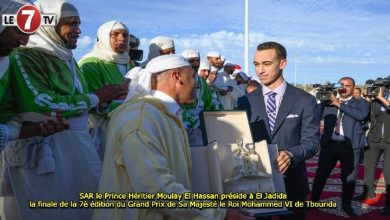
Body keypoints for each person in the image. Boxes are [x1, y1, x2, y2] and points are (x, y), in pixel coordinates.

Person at [94, 54, 254, 220]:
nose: (197, 86)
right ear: (177, 77)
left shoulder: (162, 115)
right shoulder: (141, 118)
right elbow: (155, 187)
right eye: (193, 78)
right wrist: (218, 215)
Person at [6, 0, 123, 219]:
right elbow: (41, 102)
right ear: (50, 26)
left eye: (78, 23)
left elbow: (78, 99)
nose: (78, 30)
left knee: (89, 206)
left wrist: (105, 98)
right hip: (44, 148)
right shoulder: (25, 56)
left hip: (77, 145)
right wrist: (96, 97)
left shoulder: (68, 59)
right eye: (70, 24)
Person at [237, 41, 320, 220]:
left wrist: (291, 154)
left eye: (266, 64)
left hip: (293, 183)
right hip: (256, 184)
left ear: (283, 63)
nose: (260, 70)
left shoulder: (305, 100)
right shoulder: (245, 101)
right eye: (256, 64)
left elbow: (312, 143)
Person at [0, 0, 69, 151]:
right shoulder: (22, 56)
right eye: (19, 30)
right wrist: (95, 98)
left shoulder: (3, 63)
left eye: (30, 34)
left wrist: (29, 125)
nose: (24, 42)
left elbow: (4, 116)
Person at [311, 77, 370, 217]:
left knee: (349, 177)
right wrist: (321, 101)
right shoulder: (329, 102)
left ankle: (347, 205)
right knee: (321, 174)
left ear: (353, 87)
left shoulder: (361, 103)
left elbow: (360, 115)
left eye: (347, 86)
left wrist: (339, 104)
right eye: (341, 85)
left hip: (350, 146)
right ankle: (313, 200)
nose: (344, 88)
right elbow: (316, 117)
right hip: (330, 144)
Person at [79, 20, 130, 160]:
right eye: (115, 34)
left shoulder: (129, 63)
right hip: (100, 132)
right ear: (104, 37)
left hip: (127, 129)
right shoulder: (91, 64)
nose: (122, 39)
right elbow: (92, 102)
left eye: (126, 35)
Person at [358, 86, 390, 215]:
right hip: (374, 138)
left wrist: (381, 98)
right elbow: (371, 115)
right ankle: (368, 193)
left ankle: (389, 203)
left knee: (388, 172)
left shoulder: (380, 97)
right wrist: (368, 100)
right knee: (369, 167)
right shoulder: (377, 97)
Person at [181, 50, 212, 146]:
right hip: (180, 126)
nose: (196, 64)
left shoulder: (202, 82)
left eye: (197, 60)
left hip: (197, 127)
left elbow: (208, 103)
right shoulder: (178, 80)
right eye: (192, 61)